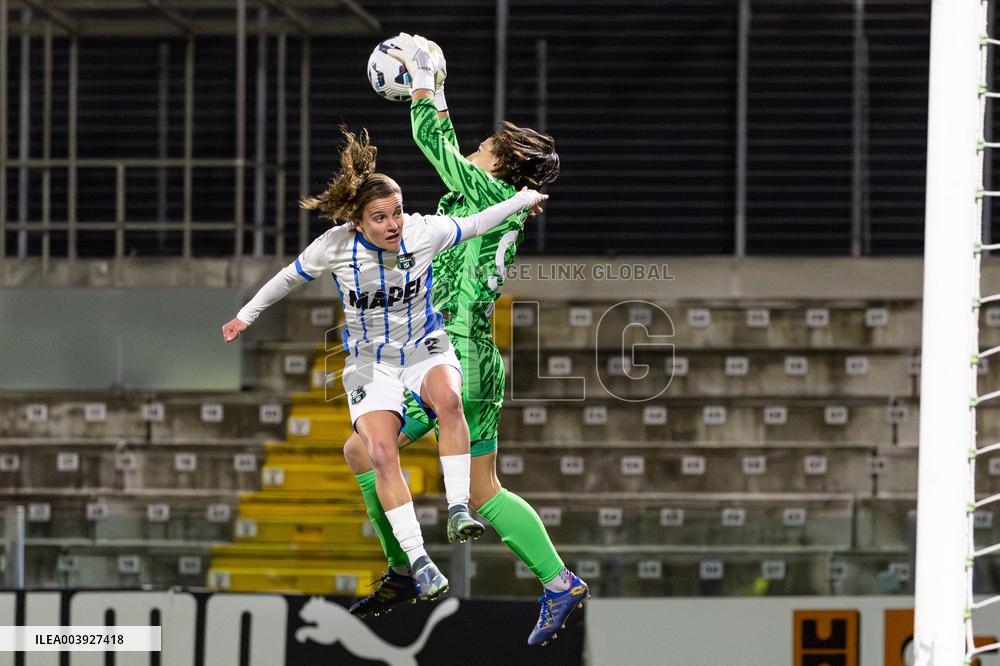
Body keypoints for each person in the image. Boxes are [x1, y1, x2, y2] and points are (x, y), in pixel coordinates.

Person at [221, 125, 548, 603]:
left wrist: (426, 93)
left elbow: (471, 209)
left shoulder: (421, 229)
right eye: (381, 217)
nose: (394, 224)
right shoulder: (334, 246)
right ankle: (414, 562)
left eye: (397, 212)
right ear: (358, 222)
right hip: (371, 362)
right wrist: (244, 316)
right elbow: (287, 278)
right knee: (370, 452)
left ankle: (459, 515)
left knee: (449, 405)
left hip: (429, 344)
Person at [342, 33, 588, 647]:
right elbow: (452, 154)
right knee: (484, 491)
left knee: (362, 452)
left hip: (446, 352)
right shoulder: (502, 198)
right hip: (480, 358)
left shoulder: (491, 191)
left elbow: (435, 143)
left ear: (501, 167)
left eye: (484, 149)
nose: (473, 153)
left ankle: (402, 569)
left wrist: (424, 87)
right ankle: (558, 582)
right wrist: (439, 83)